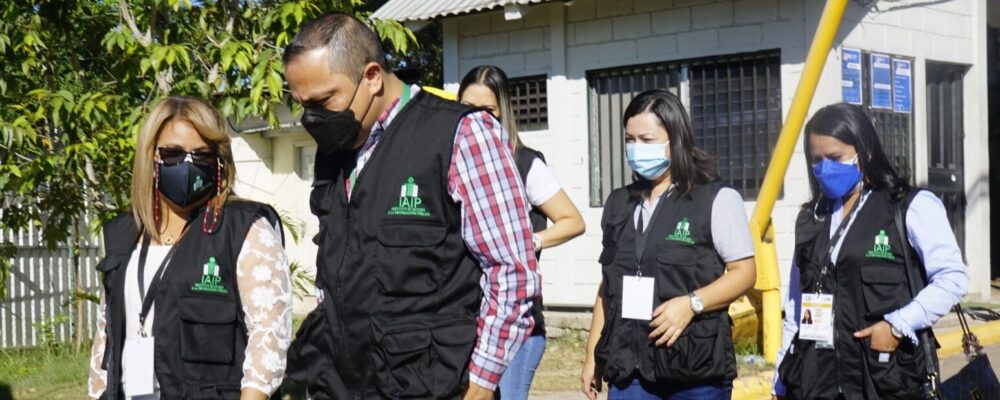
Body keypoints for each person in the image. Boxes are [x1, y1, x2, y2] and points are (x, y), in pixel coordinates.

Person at [281, 13, 540, 400]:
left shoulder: (462, 134)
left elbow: (511, 270)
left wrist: (483, 383)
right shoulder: (333, 153)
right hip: (340, 386)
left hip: (430, 386)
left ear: (371, 76)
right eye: (303, 105)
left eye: (323, 101)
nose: (313, 118)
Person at [87, 96, 292, 400]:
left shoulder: (243, 229)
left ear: (219, 162)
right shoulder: (122, 234)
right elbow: (106, 338)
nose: (186, 164)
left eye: (201, 155)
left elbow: (268, 340)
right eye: (172, 154)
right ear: (151, 158)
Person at [772, 103, 968, 399]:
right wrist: (780, 378)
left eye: (835, 158)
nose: (825, 169)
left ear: (865, 150)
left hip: (884, 380)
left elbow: (952, 278)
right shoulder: (812, 218)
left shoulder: (908, 206)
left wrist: (898, 325)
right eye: (817, 160)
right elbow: (796, 307)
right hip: (816, 383)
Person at [580, 89, 757, 400]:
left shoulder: (714, 198)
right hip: (630, 372)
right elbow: (608, 287)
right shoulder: (619, 204)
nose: (636, 149)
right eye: (630, 140)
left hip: (694, 372)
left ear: (675, 140)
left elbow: (744, 272)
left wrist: (691, 303)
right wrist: (593, 355)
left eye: (646, 140)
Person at [458, 65, 586, 400]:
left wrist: (530, 241)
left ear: (503, 113)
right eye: (466, 110)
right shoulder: (452, 163)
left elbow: (573, 220)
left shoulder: (523, 162)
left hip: (515, 325)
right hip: (467, 320)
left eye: (486, 112)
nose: (476, 121)